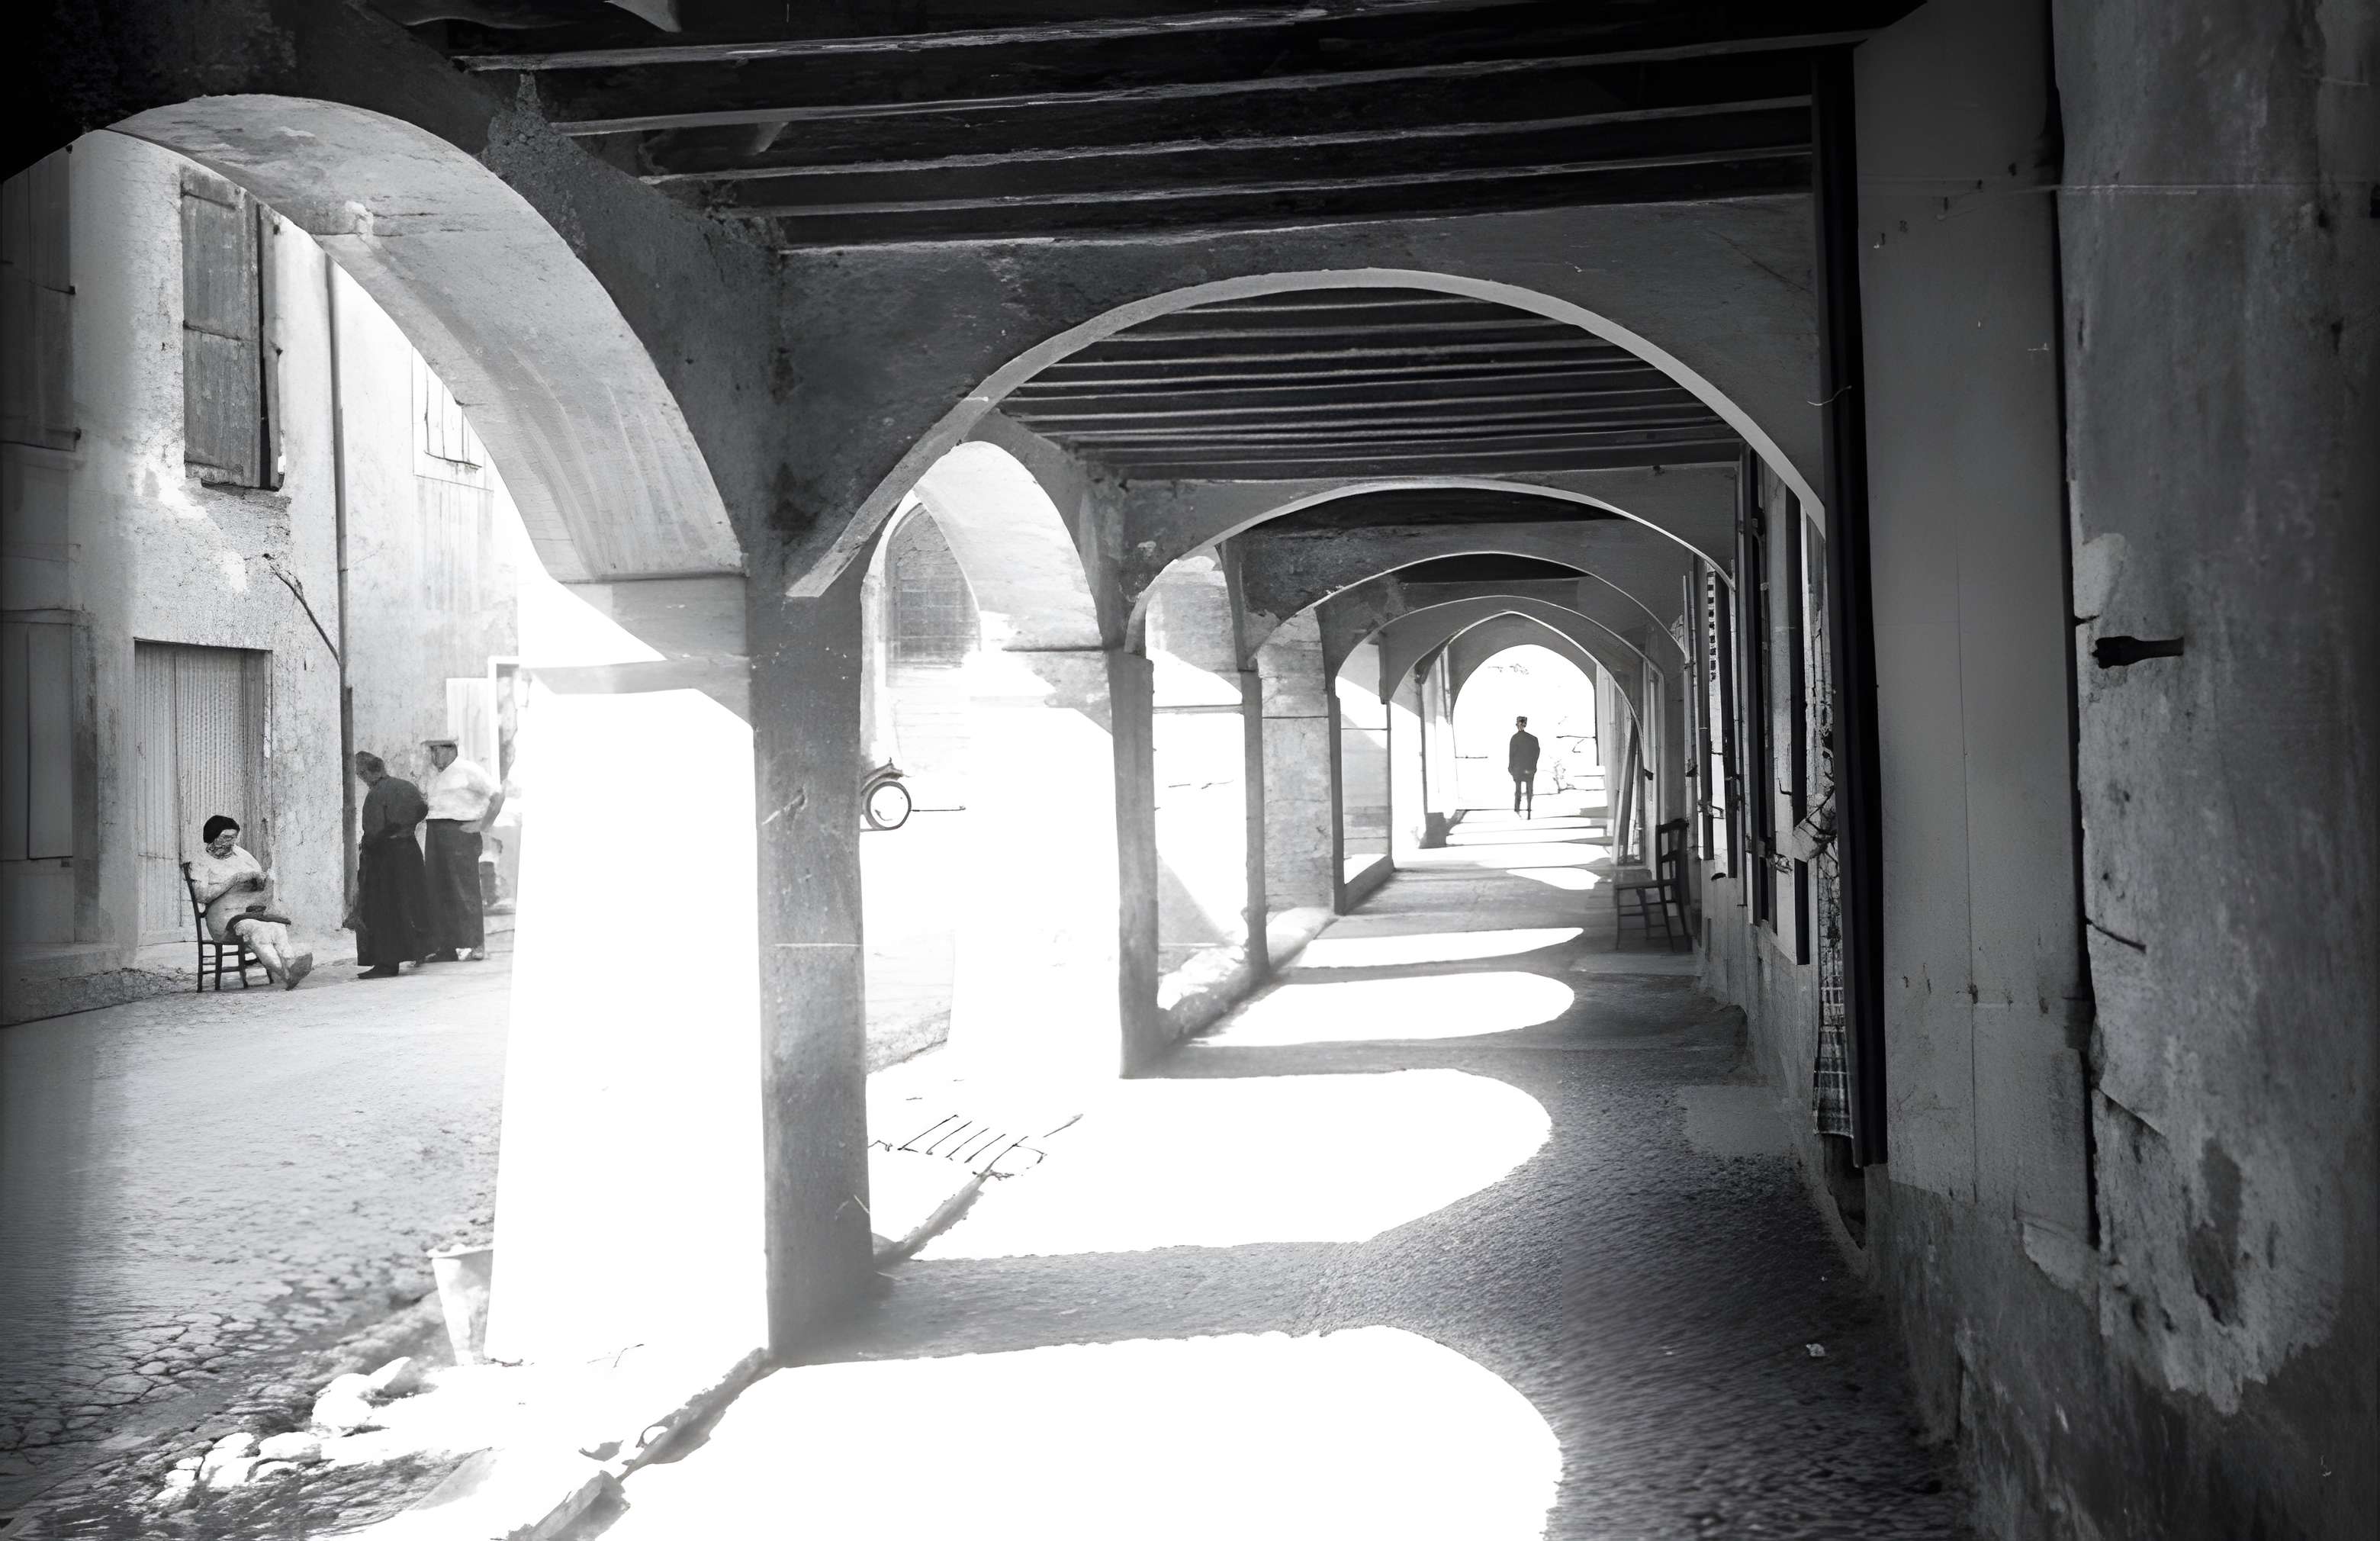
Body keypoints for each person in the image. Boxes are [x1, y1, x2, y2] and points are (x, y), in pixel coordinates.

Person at [187, 816, 314, 989]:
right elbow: (202, 896)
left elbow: (258, 875)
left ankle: (290, 962)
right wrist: (234, 879)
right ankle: (286, 973)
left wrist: (262, 880)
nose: (231, 842)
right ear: (212, 836)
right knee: (257, 930)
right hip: (223, 921)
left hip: (249, 911)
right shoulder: (201, 861)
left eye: (233, 838)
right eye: (226, 838)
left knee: (277, 927)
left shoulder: (241, 854)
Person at [420, 735, 503, 963]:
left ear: (449, 751)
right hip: (436, 834)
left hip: (460, 833)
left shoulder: (468, 770)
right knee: (439, 891)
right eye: (432, 752)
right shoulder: (436, 777)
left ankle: (476, 944)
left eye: (436, 752)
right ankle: (446, 947)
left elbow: (497, 796)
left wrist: (483, 825)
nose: (433, 757)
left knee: (464, 890)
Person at [352, 750, 431, 980]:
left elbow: (375, 831)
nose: (361, 778)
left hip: (385, 856)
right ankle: (418, 952)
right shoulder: (407, 787)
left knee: (383, 909)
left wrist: (370, 846)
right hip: (410, 851)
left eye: (360, 774)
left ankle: (386, 963)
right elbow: (422, 809)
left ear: (366, 773)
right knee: (410, 903)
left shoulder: (376, 794)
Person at [1509, 715, 1541, 819]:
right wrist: (1534, 765)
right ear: (1525, 724)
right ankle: (1529, 807)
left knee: (1518, 789)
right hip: (1529, 768)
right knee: (1529, 788)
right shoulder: (1533, 739)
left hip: (1519, 768)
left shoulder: (1514, 738)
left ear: (1517, 725)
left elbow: (1511, 755)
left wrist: (1511, 767)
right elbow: (1537, 753)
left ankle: (1517, 808)